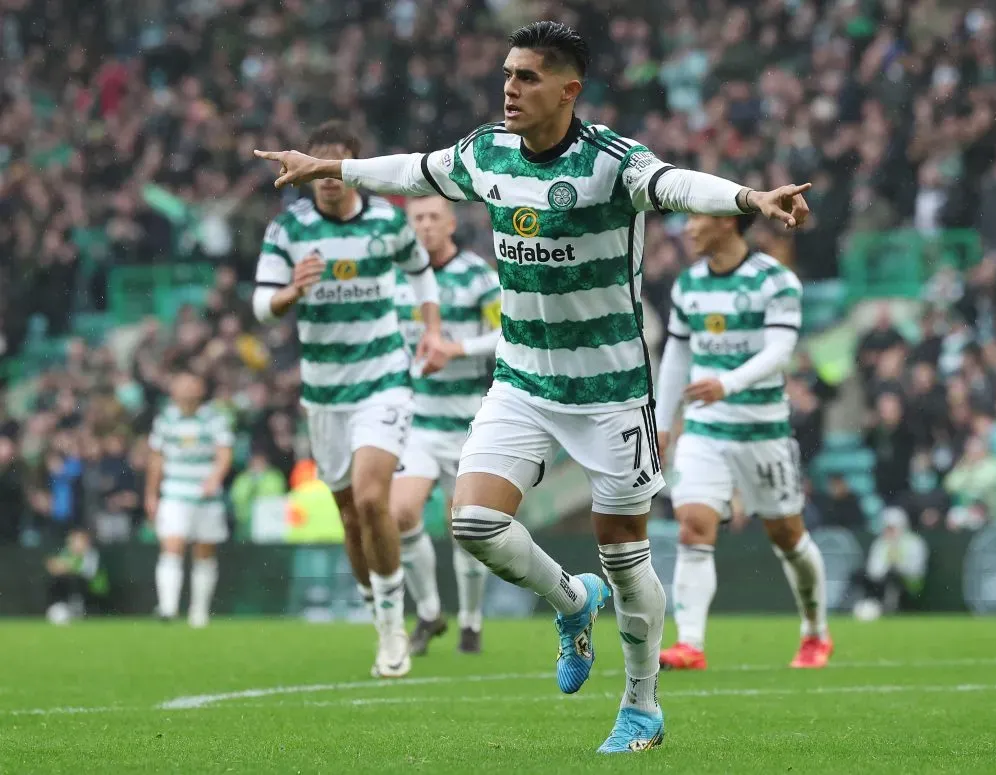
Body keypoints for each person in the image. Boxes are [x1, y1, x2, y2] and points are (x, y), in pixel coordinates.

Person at [255, 21, 810, 753]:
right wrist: (329, 169)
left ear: (568, 90)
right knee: (473, 523)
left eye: (527, 77)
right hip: (521, 378)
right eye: (507, 75)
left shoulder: (612, 161)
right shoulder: (487, 152)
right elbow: (413, 170)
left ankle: (641, 707)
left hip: (610, 386)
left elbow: (675, 184)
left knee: (625, 553)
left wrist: (747, 197)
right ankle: (571, 600)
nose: (509, 88)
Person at [251, 121, 444, 679]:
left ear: (350, 167)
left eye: (336, 165)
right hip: (324, 392)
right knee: (349, 519)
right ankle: (382, 617)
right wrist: (293, 291)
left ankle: (393, 629)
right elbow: (263, 305)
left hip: (383, 378)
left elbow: (421, 272)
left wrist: (429, 327)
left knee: (369, 500)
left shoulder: (387, 219)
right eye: (318, 163)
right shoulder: (288, 228)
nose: (327, 177)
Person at [655, 212, 832, 672]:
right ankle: (690, 643)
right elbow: (676, 353)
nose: (688, 229)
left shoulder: (775, 281)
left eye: (697, 219)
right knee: (692, 525)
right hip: (706, 428)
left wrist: (727, 384)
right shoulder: (688, 284)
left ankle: (815, 631)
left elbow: (779, 352)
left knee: (788, 537)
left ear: (729, 223)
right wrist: (661, 419)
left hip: (762, 431)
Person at [392, 196, 501, 656]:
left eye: (434, 216)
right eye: (417, 217)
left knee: (466, 528)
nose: (425, 225)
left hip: (468, 422)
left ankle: (472, 622)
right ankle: (431, 612)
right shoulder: (398, 280)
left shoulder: (478, 277)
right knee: (399, 514)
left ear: (452, 223)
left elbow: (507, 334)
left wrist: (456, 350)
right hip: (418, 419)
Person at [146, 372, 233, 628]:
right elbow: (156, 458)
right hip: (174, 492)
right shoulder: (165, 420)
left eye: (190, 384)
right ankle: (168, 608)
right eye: (181, 384)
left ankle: (199, 612)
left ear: (201, 389)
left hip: (206, 496)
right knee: (172, 545)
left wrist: (215, 478)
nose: (185, 389)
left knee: (204, 551)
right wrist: (151, 494)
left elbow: (224, 453)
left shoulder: (214, 419)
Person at [852, 506, 928, 620]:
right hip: (882, 580)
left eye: (892, 528)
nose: (888, 531)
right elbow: (873, 567)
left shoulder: (914, 542)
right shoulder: (880, 543)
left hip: (907, 583)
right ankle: (861, 604)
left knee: (893, 575)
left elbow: (916, 569)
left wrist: (895, 567)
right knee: (859, 574)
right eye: (887, 527)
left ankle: (890, 608)